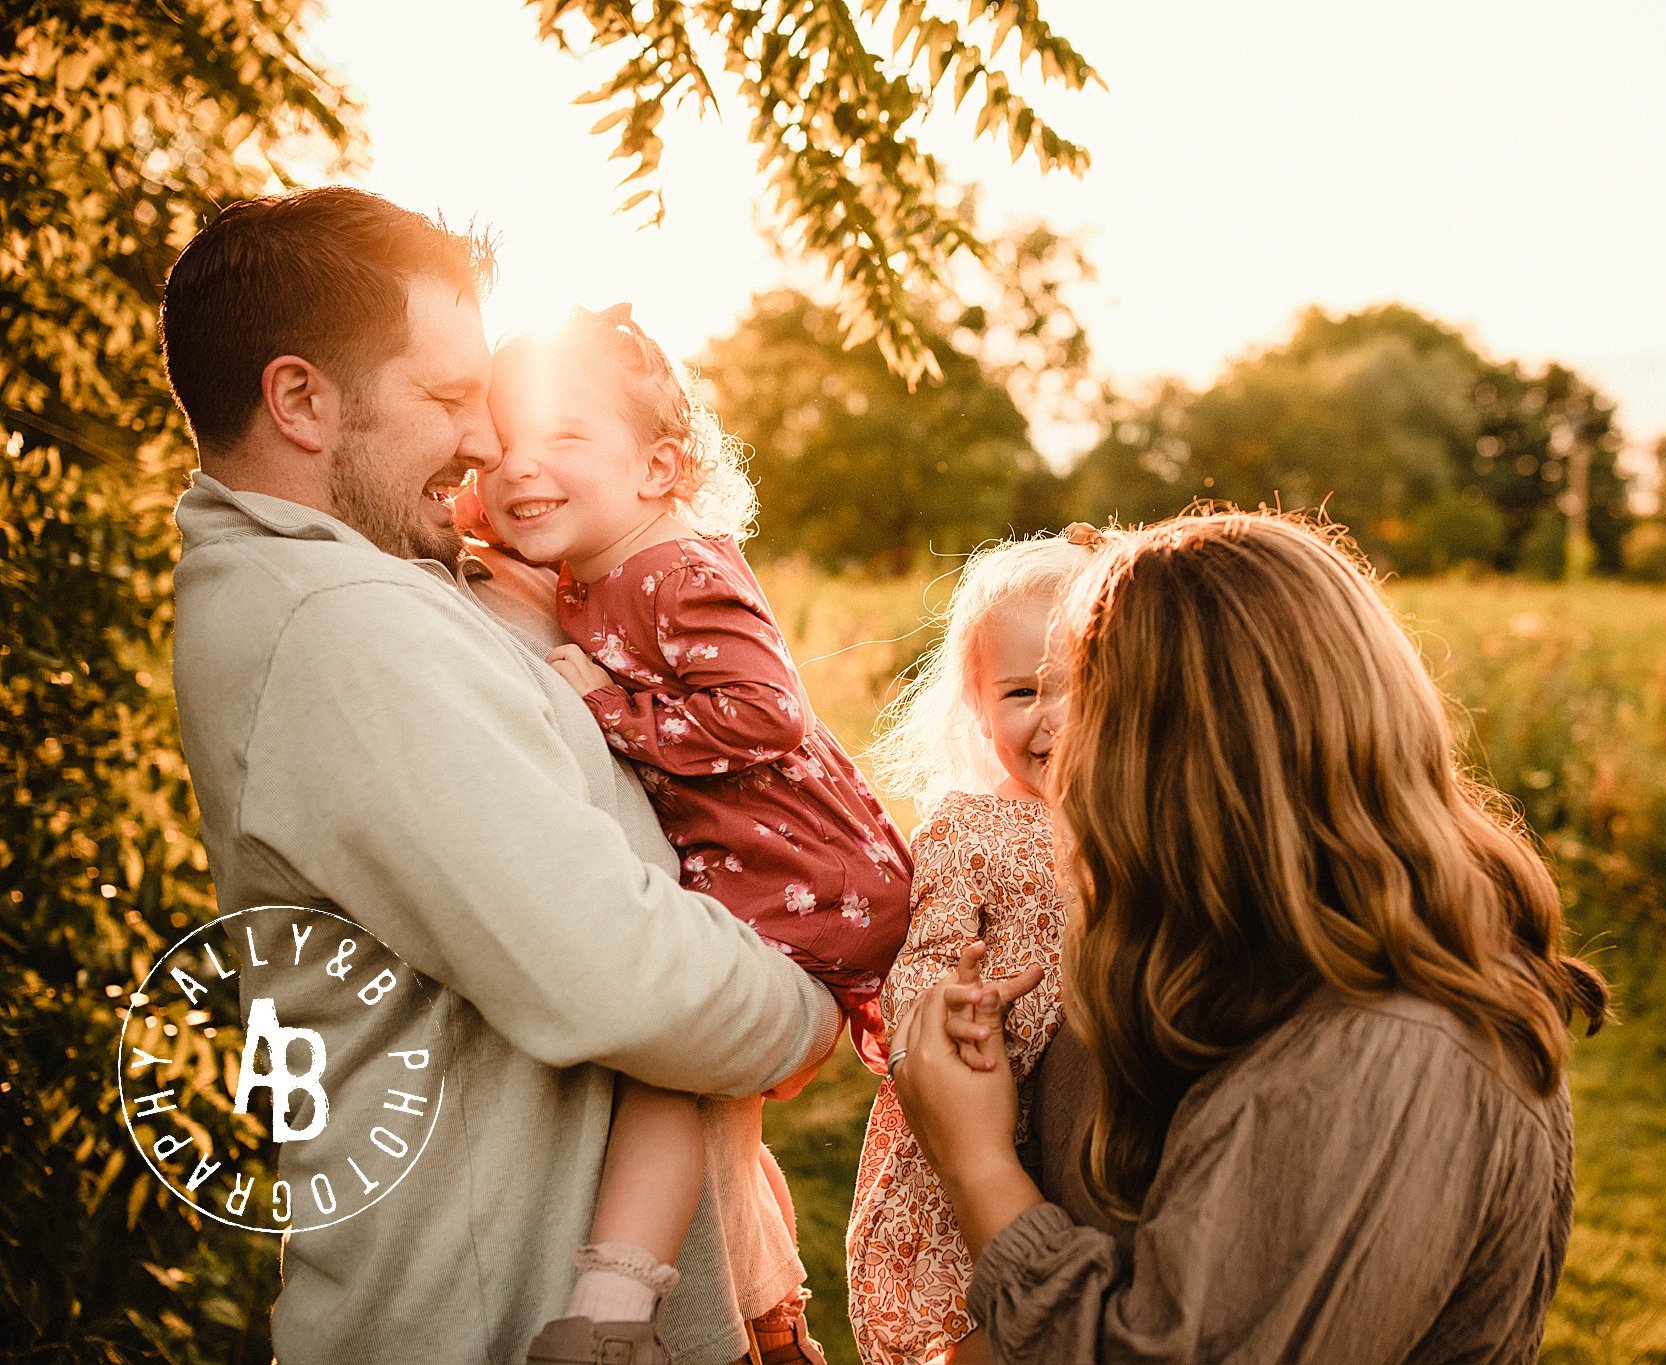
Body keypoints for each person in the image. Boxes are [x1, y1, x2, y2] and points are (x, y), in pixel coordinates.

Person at [162, 186, 841, 1365]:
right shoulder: (334, 624)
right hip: (497, 1325)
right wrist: (810, 1008)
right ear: (301, 400)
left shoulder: (381, 586)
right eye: (444, 398)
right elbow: (618, 979)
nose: (483, 443)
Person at [891, 511, 1611, 1363]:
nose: (1061, 742)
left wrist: (977, 1165)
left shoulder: (1389, 1055)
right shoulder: (1190, 954)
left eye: (1092, 704)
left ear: (1183, 758)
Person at [471, 305, 913, 1364]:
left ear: (661, 466)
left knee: (670, 1060)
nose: (522, 467)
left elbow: (766, 713)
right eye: (500, 445)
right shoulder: (603, 563)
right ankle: (769, 1319)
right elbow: (467, 522)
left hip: (804, 877)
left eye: (563, 438)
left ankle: (614, 1318)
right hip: (768, 871)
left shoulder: (677, 568)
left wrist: (600, 703)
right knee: (718, 1106)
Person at [843, 529, 1101, 1365]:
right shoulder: (975, 826)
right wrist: (950, 1003)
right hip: (991, 1100)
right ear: (979, 703)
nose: (1050, 717)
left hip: (1093, 1126)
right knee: (989, 1326)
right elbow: (923, 960)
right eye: (1021, 692)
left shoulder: (1142, 825)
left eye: (1078, 686)